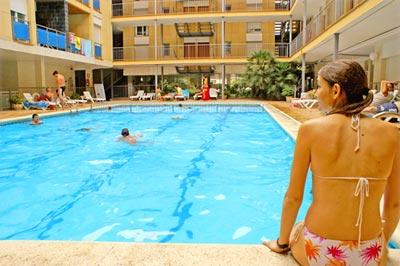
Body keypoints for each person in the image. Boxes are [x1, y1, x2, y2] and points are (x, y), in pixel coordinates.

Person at [264, 60, 399, 266]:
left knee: (298, 229)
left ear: (336, 90)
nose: (315, 93)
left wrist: (282, 244)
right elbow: (394, 204)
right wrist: (379, 248)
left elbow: (293, 197)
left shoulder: (311, 130)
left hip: (319, 250)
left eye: (319, 86)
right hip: (370, 251)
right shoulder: (392, 133)